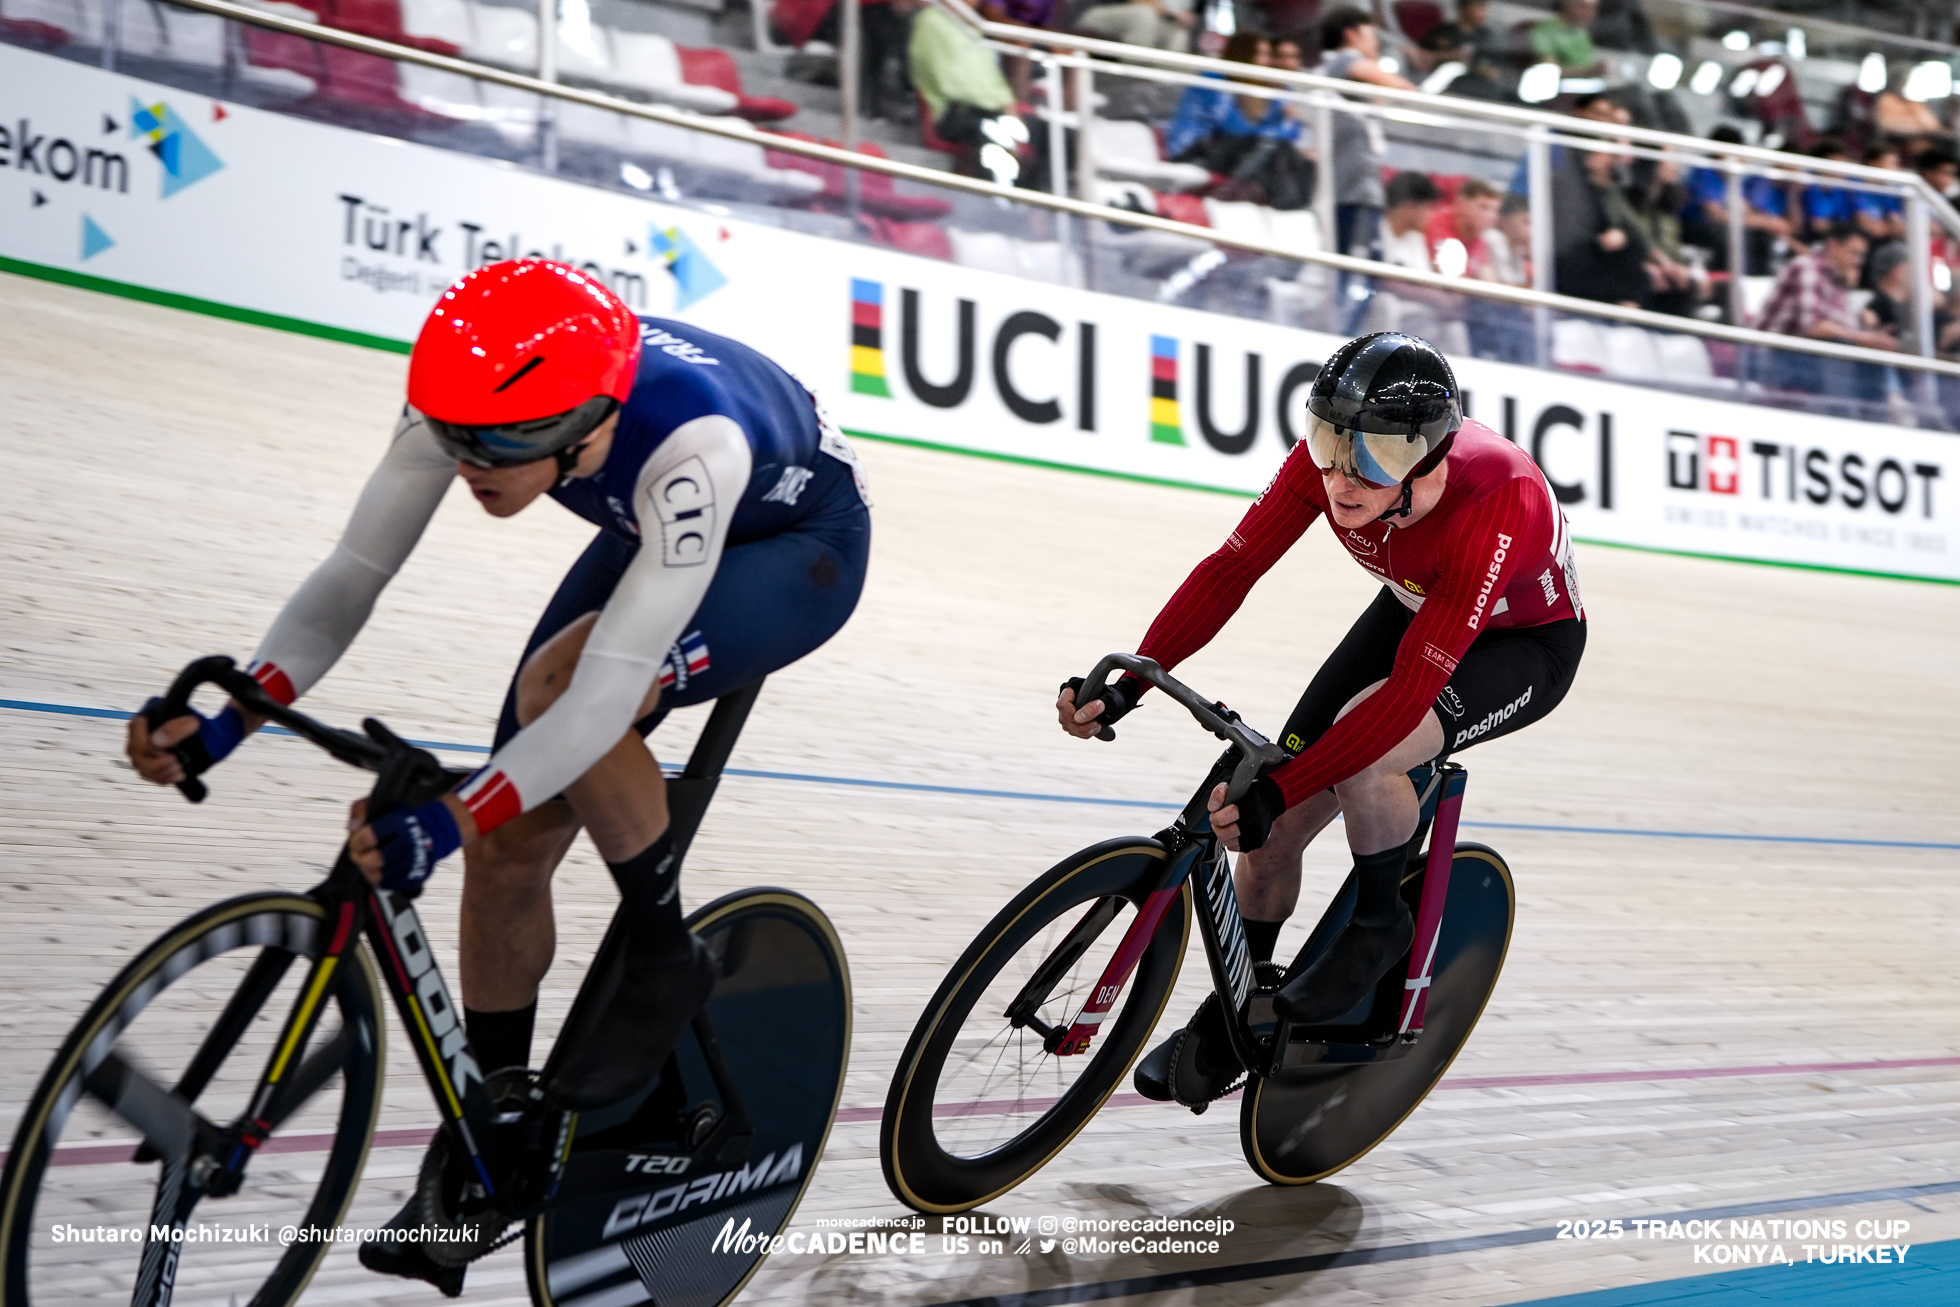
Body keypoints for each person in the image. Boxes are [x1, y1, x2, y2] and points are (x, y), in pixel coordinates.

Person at [125, 259, 872, 1293]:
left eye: (509, 445)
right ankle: (502, 1120)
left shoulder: (690, 445)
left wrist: (444, 820)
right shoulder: (475, 402)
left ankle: (665, 955)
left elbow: (601, 699)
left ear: (592, 421)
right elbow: (353, 573)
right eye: (459, 436)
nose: (476, 463)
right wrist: (228, 719)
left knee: (561, 691)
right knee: (509, 837)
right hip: (644, 522)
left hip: (794, 543)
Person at [1056, 332, 1586, 1104]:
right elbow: (1231, 569)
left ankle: (1379, 925)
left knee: (1370, 747)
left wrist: (1288, 781)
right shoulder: (1330, 468)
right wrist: (1140, 675)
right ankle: (1241, 1008)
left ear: (1426, 456)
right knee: (1269, 826)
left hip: (1523, 644)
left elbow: (1407, 695)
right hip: (1416, 605)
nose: (1340, 473)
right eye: (1329, 439)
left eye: (1369, 455)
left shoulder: (1497, 500)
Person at [1319, 7, 1418, 331]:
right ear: (1352, 34)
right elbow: (1397, 86)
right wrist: (1404, 88)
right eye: (1371, 34)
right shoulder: (1343, 61)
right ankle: (1340, 336)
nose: (1376, 43)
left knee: (1368, 272)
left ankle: (1346, 333)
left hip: (1361, 189)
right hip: (1352, 191)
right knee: (1356, 272)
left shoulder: (1348, 79)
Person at [1165, 31, 1316, 210]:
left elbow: (1289, 133)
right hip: (1193, 150)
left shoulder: (1256, 87)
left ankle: (1296, 210)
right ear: (1243, 54)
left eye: (1268, 55)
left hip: (1225, 149)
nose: (1267, 61)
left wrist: (1283, 119)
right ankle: (1282, 206)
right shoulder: (1214, 80)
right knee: (1272, 147)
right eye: (1261, 54)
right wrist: (1280, 120)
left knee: (1304, 161)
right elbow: (1234, 128)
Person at [1754, 222, 1897, 405]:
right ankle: (1841, 418)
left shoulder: (1839, 279)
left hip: (1806, 357)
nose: (1858, 262)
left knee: (1874, 357)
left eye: (1862, 256)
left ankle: (1890, 408)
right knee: (1839, 350)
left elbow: (1843, 329)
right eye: (1854, 253)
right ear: (1832, 245)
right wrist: (1862, 337)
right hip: (1771, 356)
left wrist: (1866, 330)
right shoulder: (1806, 268)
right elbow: (1813, 327)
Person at [1076, 0, 1193, 53]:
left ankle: (1167, 86)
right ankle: (1134, 78)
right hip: (1093, 14)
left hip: (1145, 17)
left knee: (1178, 33)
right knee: (1143, 15)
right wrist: (1174, 13)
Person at [1529, 0, 1604, 78]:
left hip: (1588, 84)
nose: (1589, 13)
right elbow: (1548, 70)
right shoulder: (1545, 29)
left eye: (1593, 8)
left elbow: (1586, 63)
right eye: (1583, 6)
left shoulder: (1582, 34)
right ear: (1567, 5)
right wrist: (1587, 72)